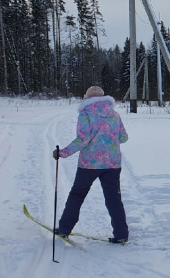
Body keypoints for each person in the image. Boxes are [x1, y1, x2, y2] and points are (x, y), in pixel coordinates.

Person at [53, 86, 129, 244]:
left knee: (77, 195)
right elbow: (123, 138)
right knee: (113, 198)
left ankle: (64, 230)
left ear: (87, 98)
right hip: (112, 164)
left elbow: (82, 139)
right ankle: (121, 234)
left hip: (89, 164)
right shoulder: (114, 115)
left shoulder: (86, 114)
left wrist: (62, 153)